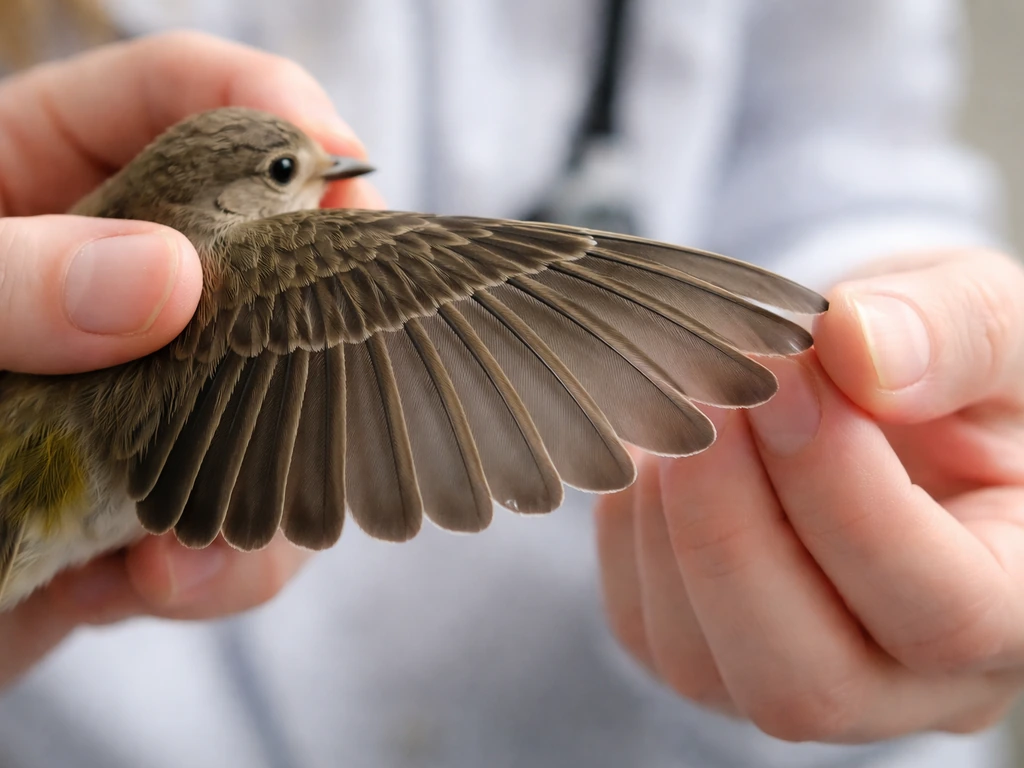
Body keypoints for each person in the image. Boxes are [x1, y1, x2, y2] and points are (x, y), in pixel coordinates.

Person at [0, 3, 1022, 767]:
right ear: (230, 200)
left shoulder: (193, 234)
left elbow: (835, 145)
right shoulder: (288, 268)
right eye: (285, 175)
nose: (331, 175)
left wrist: (894, 308)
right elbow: (475, 296)